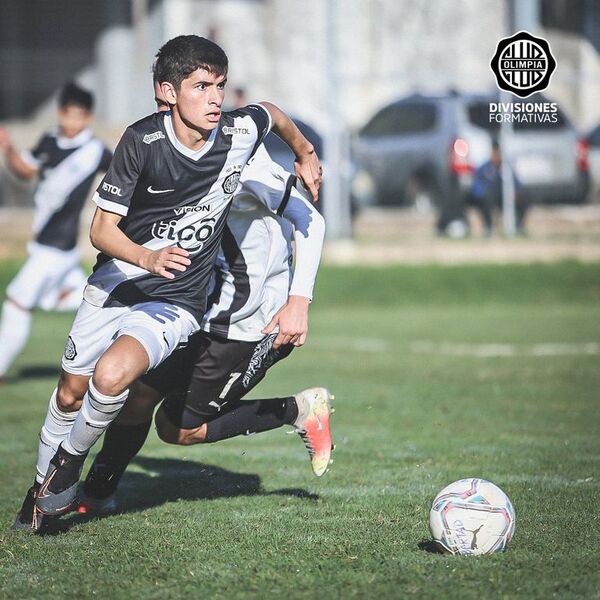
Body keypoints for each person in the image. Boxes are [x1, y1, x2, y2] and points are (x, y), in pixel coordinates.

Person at [17, 35, 321, 522]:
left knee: (114, 377)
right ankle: (39, 493)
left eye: (219, 85)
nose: (216, 97)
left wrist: (304, 152)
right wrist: (148, 257)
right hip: (116, 282)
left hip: (179, 300)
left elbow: (270, 112)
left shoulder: (239, 134)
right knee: (70, 393)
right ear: (168, 92)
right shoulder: (141, 142)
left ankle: (69, 468)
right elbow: (100, 231)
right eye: (201, 86)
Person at [79, 143, 331, 515]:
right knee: (136, 393)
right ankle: (97, 493)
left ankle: (298, 410)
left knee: (177, 429)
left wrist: (298, 301)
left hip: (246, 328)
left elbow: (312, 220)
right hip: (195, 312)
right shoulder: (173, 151)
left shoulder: (242, 159)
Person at [0, 83, 112, 380]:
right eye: (68, 114)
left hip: (56, 248)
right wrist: (8, 148)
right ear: (60, 113)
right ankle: (108, 301)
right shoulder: (49, 140)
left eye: (80, 116)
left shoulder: (95, 150)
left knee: (16, 304)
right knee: (69, 298)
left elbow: (126, 174)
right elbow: (25, 170)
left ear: (88, 117)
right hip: (44, 244)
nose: (73, 122)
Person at [469, 141, 526, 235]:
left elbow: (516, 183)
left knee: (523, 198)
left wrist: (517, 192)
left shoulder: (506, 167)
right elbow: (477, 185)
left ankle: (518, 226)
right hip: (489, 198)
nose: (496, 156)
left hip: (504, 197)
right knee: (485, 201)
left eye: (498, 153)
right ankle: (489, 227)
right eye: (494, 153)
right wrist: (482, 194)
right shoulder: (484, 168)